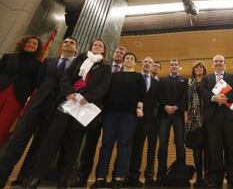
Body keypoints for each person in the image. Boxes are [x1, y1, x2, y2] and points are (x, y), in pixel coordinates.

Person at [23, 39, 112, 189]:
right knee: (52, 139)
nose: (97, 47)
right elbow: (66, 77)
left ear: (104, 50)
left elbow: (104, 87)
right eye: (95, 44)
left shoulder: (105, 67)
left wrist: (88, 97)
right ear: (91, 47)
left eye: (100, 45)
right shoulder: (80, 59)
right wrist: (69, 92)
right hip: (68, 101)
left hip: (86, 106)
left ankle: (62, 179)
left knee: (73, 143)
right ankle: (36, 177)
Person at [0, 37, 75, 188]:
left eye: (72, 43)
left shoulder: (77, 66)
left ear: (76, 49)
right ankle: (2, 175)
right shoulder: (49, 61)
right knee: (18, 140)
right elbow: (39, 80)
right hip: (37, 104)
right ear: (62, 45)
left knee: (39, 145)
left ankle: (24, 178)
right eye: (66, 42)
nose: (68, 44)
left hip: (57, 110)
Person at [71, 46, 127, 187]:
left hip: (114, 113)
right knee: (88, 144)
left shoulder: (127, 72)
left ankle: (112, 177)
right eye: (117, 51)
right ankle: (82, 177)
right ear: (112, 54)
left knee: (109, 145)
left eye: (122, 53)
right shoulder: (103, 67)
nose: (119, 54)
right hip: (94, 107)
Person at [91, 52, 145, 189]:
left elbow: (141, 94)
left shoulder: (138, 77)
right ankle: (101, 177)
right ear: (123, 60)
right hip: (110, 113)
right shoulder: (113, 75)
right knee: (106, 145)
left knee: (124, 145)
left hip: (129, 115)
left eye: (132, 58)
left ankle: (118, 177)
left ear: (135, 62)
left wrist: (139, 107)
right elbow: (105, 92)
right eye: (127, 58)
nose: (129, 60)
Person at [199, 55, 233, 188]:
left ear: (225, 63)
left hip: (230, 118)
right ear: (212, 64)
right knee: (214, 149)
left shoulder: (232, 77)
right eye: (216, 61)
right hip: (212, 119)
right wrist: (214, 98)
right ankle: (215, 179)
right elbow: (202, 91)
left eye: (220, 61)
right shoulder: (206, 79)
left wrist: (226, 97)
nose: (218, 63)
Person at [0, 35, 43, 147]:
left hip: (18, 97)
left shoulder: (39, 65)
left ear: (37, 48)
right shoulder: (8, 57)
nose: (31, 44)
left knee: (4, 124)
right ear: (23, 44)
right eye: (29, 42)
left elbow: (35, 84)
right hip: (1, 89)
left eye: (35, 44)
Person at [124, 56, 160, 187]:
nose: (147, 64)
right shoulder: (134, 77)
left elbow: (157, 101)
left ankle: (134, 176)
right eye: (145, 62)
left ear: (153, 66)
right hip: (131, 116)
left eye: (150, 62)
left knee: (139, 147)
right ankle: (124, 176)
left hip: (147, 120)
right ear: (141, 64)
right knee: (127, 146)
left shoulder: (156, 83)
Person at [156, 59, 188, 185]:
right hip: (164, 115)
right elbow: (159, 95)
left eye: (176, 65)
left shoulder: (185, 80)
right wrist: (165, 106)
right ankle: (161, 174)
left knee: (180, 144)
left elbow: (185, 96)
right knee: (162, 144)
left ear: (179, 67)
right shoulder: (162, 80)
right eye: (172, 65)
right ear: (169, 67)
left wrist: (176, 107)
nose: (174, 66)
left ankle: (181, 175)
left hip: (179, 115)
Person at [185, 61, 209, 187]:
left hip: (208, 120)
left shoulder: (209, 82)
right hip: (194, 121)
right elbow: (185, 103)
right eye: (196, 67)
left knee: (208, 150)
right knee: (197, 150)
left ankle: (207, 176)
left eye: (201, 67)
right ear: (193, 70)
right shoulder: (189, 83)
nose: (199, 69)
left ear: (204, 70)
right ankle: (199, 177)